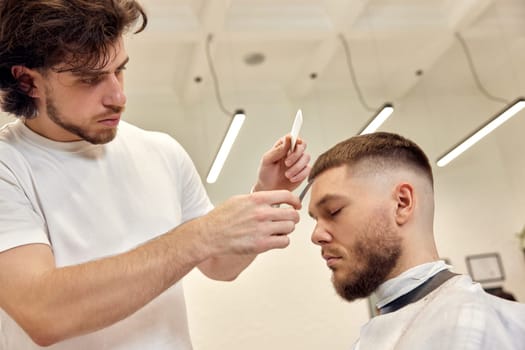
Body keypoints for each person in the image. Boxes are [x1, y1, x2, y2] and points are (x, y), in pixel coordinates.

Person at [0, 1, 311, 349]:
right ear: (27, 81)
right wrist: (200, 235)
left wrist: (262, 196)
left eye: (120, 70)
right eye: (89, 79)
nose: (118, 96)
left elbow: (219, 265)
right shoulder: (7, 167)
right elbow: (43, 313)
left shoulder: (162, 151)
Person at [307, 132, 525, 349]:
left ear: (402, 203)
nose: (316, 236)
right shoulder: (375, 334)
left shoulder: (480, 325)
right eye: (316, 219)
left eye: (333, 211)